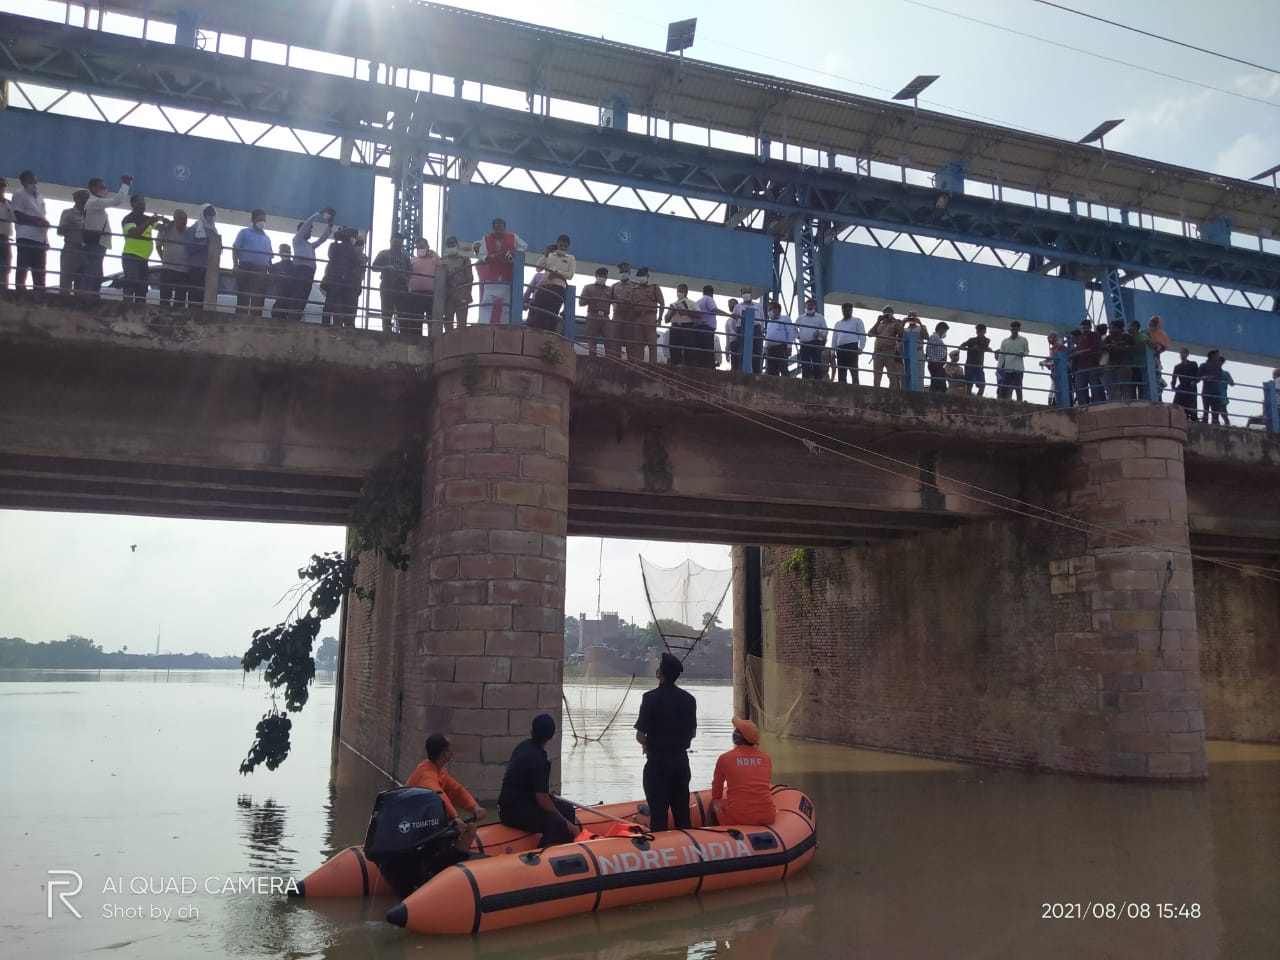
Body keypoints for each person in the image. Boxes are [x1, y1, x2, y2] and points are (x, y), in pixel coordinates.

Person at [634, 651, 698, 832]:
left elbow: (640, 735)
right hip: (680, 763)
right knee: (682, 815)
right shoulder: (689, 700)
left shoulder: (650, 698)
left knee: (659, 816)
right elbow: (692, 733)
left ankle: (661, 855)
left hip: (657, 764)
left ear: (659, 673)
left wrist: (648, 744)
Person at [497, 714, 580, 847]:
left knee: (567, 808)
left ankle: (564, 848)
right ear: (551, 736)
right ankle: (543, 855)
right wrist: (566, 822)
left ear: (532, 731)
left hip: (513, 804)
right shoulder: (540, 760)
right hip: (513, 812)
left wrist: (548, 797)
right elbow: (542, 800)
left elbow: (530, 786)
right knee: (557, 823)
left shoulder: (523, 746)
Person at [405, 733, 487, 853]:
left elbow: (457, 791)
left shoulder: (438, 770)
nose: (451, 752)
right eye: (449, 749)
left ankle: (453, 857)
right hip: (414, 825)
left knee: (470, 827)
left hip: (426, 822)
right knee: (467, 829)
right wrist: (455, 817)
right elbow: (437, 794)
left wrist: (475, 807)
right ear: (445, 753)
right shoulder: (427, 774)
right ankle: (454, 860)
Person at [710, 717, 776, 827]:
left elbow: (716, 791)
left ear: (738, 737)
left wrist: (716, 801)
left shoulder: (725, 758)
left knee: (713, 804)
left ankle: (712, 837)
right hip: (767, 816)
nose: (734, 732)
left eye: (736, 730)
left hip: (740, 817)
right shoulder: (766, 758)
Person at [81, 174, 133, 297]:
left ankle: (92, 298)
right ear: (93, 188)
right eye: (101, 187)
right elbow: (117, 201)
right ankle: (86, 299)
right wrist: (125, 185)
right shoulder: (94, 202)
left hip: (98, 243)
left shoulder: (94, 203)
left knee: (97, 274)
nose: (105, 189)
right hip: (95, 244)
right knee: (92, 274)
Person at [475, 217, 527, 325]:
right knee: (486, 302)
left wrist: (514, 252)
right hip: (492, 276)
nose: (498, 231)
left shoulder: (513, 237)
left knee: (506, 304)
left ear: (504, 228)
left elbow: (524, 246)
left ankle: (504, 326)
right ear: (493, 229)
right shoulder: (486, 238)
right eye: (496, 229)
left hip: (506, 275)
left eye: (501, 229)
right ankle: (482, 325)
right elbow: (481, 254)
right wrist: (487, 258)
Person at [286, 208, 335, 318]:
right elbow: (306, 226)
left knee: (304, 297)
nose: (310, 232)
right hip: (300, 271)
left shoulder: (309, 245)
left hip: (309, 273)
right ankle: (293, 317)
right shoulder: (297, 240)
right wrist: (317, 214)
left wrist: (330, 226)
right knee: (298, 295)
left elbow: (321, 240)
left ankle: (297, 318)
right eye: (309, 230)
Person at [11, 170, 51, 292]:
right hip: (26, 236)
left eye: (35, 181)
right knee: (23, 268)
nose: (34, 183)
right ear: (23, 182)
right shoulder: (19, 194)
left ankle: (39, 295)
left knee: (40, 271)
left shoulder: (39, 197)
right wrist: (37, 220)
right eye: (31, 181)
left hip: (40, 238)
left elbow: (42, 216)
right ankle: (19, 294)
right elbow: (18, 215)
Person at [529, 234, 575, 332]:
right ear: (557, 245)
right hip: (545, 287)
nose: (562, 248)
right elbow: (538, 268)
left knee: (552, 314)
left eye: (565, 246)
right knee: (539, 313)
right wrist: (546, 253)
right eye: (560, 245)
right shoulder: (549, 255)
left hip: (558, 289)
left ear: (568, 247)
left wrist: (557, 273)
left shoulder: (570, 258)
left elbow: (570, 275)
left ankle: (550, 338)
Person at [232, 210, 273, 317]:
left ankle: (256, 320)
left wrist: (270, 272)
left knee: (258, 298)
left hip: (261, 271)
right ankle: (240, 319)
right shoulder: (244, 232)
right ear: (253, 220)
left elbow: (270, 257)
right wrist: (235, 265)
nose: (262, 222)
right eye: (260, 219)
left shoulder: (267, 238)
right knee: (243, 297)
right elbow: (235, 248)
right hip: (246, 267)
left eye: (264, 220)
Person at [120, 195, 160, 304]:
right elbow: (134, 233)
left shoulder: (147, 218)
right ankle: (126, 309)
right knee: (130, 285)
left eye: (144, 204)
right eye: (140, 204)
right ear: (133, 204)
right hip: (131, 256)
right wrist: (148, 222)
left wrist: (164, 220)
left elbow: (160, 227)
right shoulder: (128, 219)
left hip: (144, 258)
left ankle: (140, 312)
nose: (143, 206)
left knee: (142, 288)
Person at [321, 227, 362, 328]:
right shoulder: (336, 246)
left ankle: (334, 324)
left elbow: (356, 262)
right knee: (332, 304)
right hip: (336, 280)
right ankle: (326, 324)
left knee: (343, 306)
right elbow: (332, 255)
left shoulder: (346, 248)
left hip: (344, 281)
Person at [372, 233, 413, 333]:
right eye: (395, 240)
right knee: (386, 311)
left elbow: (410, 272)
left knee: (403, 312)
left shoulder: (405, 257)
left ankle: (404, 334)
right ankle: (386, 332)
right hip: (387, 284)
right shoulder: (383, 253)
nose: (397, 243)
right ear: (390, 241)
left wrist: (404, 277)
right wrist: (386, 268)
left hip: (401, 286)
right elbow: (374, 267)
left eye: (399, 241)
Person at [155, 210, 193, 307]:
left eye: (185, 219)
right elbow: (158, 246)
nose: (183, 221)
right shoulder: (166, 230)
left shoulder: (189, 232)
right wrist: (163, 259)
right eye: (181, 218)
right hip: (168, 269)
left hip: (184, 271)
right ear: (175, 219)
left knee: (180, 300)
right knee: (165, 297)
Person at [56, 189, 90, 295]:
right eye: (83, 197)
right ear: (76, 199)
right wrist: (71, 226)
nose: (86, 200)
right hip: (71, 248)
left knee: (82, 283)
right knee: (66, 280)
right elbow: (59, 231)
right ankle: (63, 305)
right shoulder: (68, 213)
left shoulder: (92, 215)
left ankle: (79, 306)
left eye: (88, 197)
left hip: (87, 250)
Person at [628, 267, 665, 362]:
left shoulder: (655, 288)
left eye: (643, 276)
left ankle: (653, 366)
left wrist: (660, 318)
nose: (641, 278)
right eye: (639, 276)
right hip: (638, 317)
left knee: (652, 343)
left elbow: (662, 303)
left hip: (650, 316)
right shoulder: (634, 289)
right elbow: (631, 305)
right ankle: (639, 366)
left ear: (647, 276)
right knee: (638, 343)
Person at [404, 238, 439, 337]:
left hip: (430, 294)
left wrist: (435, 254)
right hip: (415, 294)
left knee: (431, 318)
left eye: (422, 247)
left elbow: (442, 266)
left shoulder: (434, 259)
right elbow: (407, 275)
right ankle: (416, 339)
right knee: (416, 319)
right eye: (418, 247)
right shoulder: (412, 260)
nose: (420, 249)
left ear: (428, 247)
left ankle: (432, 339)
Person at [439, 236, 474, 331]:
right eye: (449, 245)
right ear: (446, 247)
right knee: (448, 323)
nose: (451, 247)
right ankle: (448, 342)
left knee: (461, 323)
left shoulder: (464, 260)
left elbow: (470, 278)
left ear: (457, 246)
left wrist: (467, 295)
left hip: (461, 293)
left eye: (453, 245)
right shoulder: (442, 260)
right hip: (448, 295)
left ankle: (461, 342)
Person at [579, 266, 612, 357]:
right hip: (592, 315)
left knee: (609, 339)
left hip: (605, 317)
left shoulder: (610, 289)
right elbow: (581, 303)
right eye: (600, 275)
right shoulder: (588, 288)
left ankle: (609, 360)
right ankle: (592, 360)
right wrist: (591, 299)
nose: (602, 277)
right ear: (596, 276)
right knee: (592, 339)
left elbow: (616, 303)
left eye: (604, 276)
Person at [663, 283, 699, 366]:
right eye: (678, 291)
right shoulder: (673, 304)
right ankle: (675, 366)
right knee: (674, 349)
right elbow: (666, 320)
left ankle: (689, 369)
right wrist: (672, 312)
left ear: (686, 292)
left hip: (687, 326)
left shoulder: (692, 303)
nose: (679, 293)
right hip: (675, 327)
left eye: (681, 291)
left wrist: (687, 312)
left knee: (689, 351)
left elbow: (699, 315)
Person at [868, 306, 903, 389]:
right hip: (878, 352)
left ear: (892, 313)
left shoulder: (895, 324)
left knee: (892, 376)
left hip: (890, 352)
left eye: (889, 312)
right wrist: (878, 321)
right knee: (877, 375)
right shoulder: (880, 324)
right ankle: (876, 392)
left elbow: (902, 332)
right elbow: (870, 334)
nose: (887, 313)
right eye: (885, 312)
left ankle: (893, 393)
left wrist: (893, 319)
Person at [831, 303, 865, 385]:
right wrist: (832, 351)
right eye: (844, 310)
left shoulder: (857, 321)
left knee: (854, 370)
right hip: (840, 348)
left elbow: (862, 335)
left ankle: (856, 388)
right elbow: (834, 338)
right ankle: (842, 390)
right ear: (842, 311)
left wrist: (861, 347)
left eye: (848, 310)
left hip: (852, 346)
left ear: (851, 310)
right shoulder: (838, 324)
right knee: (841, 372)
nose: (846, 311)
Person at [994, 322, 1029, 401]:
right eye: (1013, 328)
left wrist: (1023, 354)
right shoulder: (1005, 341)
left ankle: (1019, 403)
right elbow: (1002, 355)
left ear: (1019, 329)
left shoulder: (1024, 340)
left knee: (1018, 387)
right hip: (1008, 368)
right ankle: (1001, 402)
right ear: (1011, 329)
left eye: (1016, 329)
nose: (1014, 330)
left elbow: (1027, 352)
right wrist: (999, 368)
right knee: (1004, 387)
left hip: (1018, 368)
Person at [795, 298, 828, 380]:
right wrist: (798, 335)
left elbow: (825, 330)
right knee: (805, 365)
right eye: (809, 304)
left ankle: (818, 383)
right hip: (804, 343)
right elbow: (793, 328)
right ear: (806, 305)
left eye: (812, 304)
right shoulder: (800, 318)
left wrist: (819, 332)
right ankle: (804, 383)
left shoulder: (820, 317)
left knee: (817, 364)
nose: (810, 306)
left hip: (816, 343)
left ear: (815, 306)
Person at [763, 301, 796, 376]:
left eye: (771, 309)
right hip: (770, 349)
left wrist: (789, 346)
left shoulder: (785, 319)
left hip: (780, 347)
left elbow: (790, 332)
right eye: (768, 310)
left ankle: (787, 385)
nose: (769, 312)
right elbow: (768, 336)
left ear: (777, 309)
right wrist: (765, 349)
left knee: (783, 367)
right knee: (771, 370)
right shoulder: (769, 322)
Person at [957, 324, 991, 397]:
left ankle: (978, 399)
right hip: (970, 364)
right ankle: (969, 399)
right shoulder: (971, 340)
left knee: (982, 384)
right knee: (969, 384)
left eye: (981, 330)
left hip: (978, 365)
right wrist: (970, 348)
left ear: (984, 331)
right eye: (978, 330)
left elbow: (984, 347)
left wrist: (979, 348)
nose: (979, 332)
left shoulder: (986, 340)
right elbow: (961, 346)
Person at [1171, 348, 1200, 422]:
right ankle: (1180, 418)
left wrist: (1194, 381)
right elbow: (1174, 378)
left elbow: (1198, 376)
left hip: (1191, 388)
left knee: (1192, 405)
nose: (1181, 355)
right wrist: (1173, 387)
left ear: (1187, 354)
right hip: (1183, 387)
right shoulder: (1177, 367)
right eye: (1181, 353)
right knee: (1179, 405)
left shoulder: (1193, 364)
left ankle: (1193, 419)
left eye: (1183, 353)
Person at [926, 322, 949, 392]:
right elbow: (929, 349)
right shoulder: (934, 337)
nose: (945, 332)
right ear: (941, 329)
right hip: (936, 364)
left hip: (939, 364)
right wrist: (935, 361)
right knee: (938, 382)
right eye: (945, 330)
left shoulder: (938, 338)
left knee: (939, 382)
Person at [0, 177, 12, 290]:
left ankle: (3, 290)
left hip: (5, 238)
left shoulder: (9, 203)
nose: (1, 189)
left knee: (5, 267)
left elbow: (16, 218)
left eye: (3, 187)